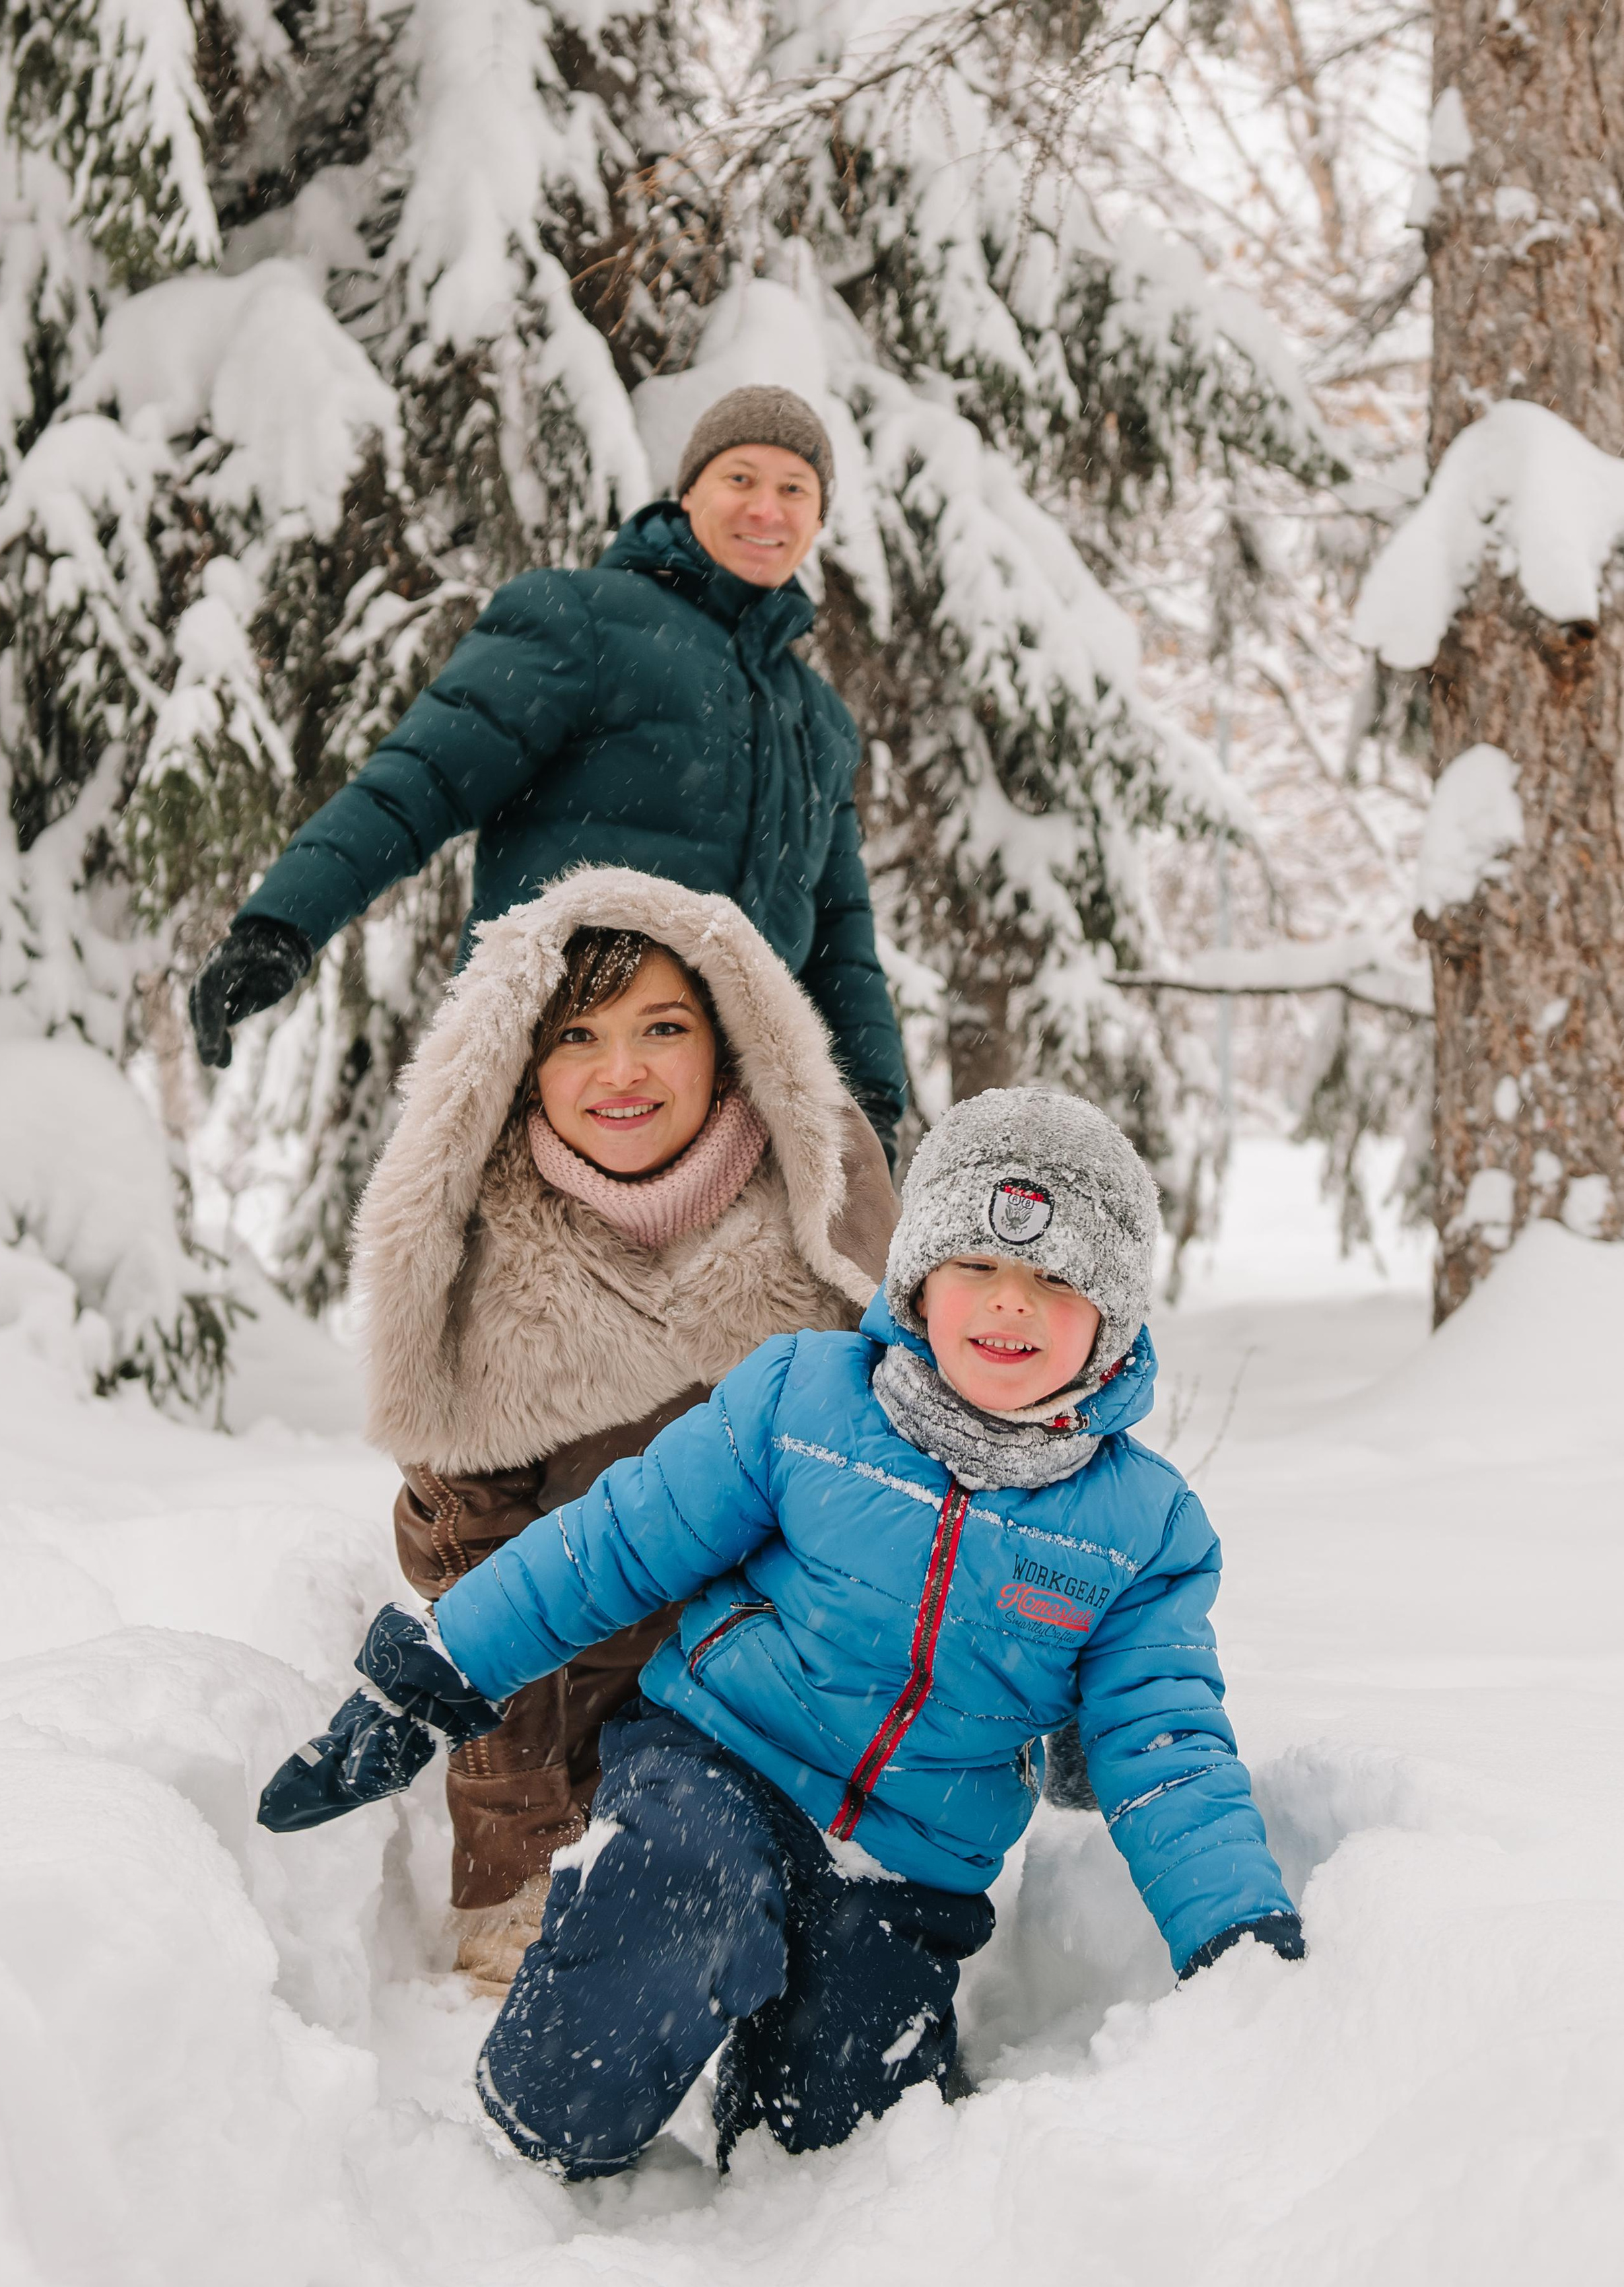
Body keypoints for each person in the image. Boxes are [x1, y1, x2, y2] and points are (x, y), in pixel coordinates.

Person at [403, 1085, 1304, 2175]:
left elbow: (1167, 1748)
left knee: (839, 2150)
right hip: (717, 1764)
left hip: (911, 1861)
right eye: (977, 1265)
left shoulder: (1142, 1531)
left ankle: (783, 2115)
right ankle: (534, 2136)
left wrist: (1239, 1935)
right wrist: (436, 1668)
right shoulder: (806, 1398)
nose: (1008, 1306)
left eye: (1055, 1281)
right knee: (676, 1897)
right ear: (919, 1277)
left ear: (1113, 1322)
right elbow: (613, 1545)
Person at [351, 864, 897, 1991]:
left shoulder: (821, 1213)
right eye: (578, 1037)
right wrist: (519, 1852)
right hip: (591, 1739)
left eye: (664, 1027)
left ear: (733, 1038)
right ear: (522, 1067)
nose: (624, 1072)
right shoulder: (482, 1262)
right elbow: (478, 1589)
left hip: (798, 1722)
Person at [188, 385, 910, 1160]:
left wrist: (871, 1105)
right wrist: (281, 925)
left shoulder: (818, 719)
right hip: (560, 1083)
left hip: (734, 1124)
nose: (766, 509)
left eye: (793, 489)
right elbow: (421, 780)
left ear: (819, 521)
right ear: (689, 490)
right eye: (741, 478)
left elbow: (840, 935)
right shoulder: (582, 618)